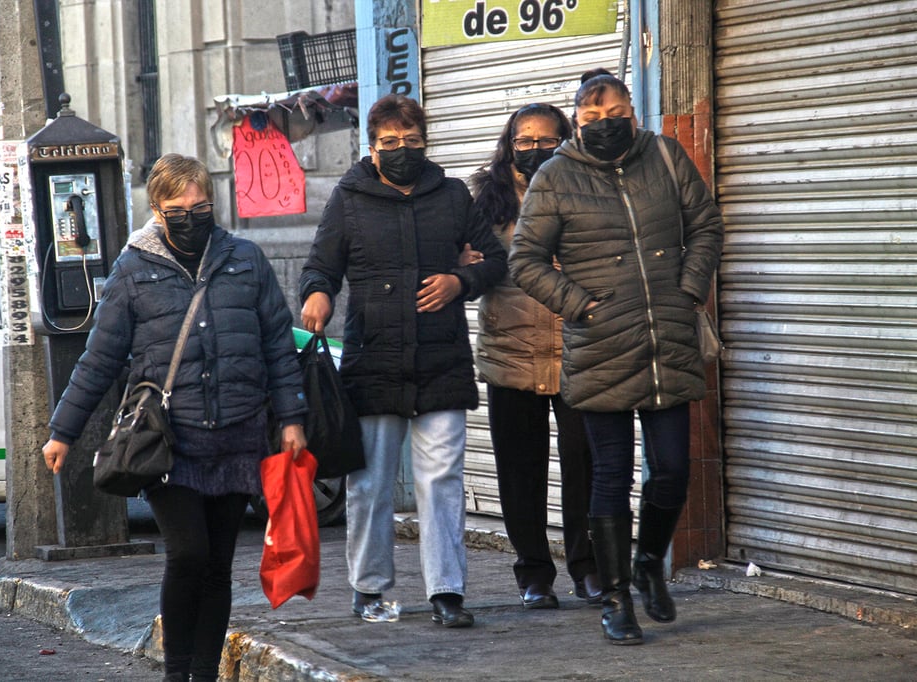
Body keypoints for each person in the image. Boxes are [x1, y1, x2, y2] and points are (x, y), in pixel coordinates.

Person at [41, 153, 308, 681]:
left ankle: (203, 673)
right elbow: (99, 358)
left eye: (200, 203)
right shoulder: (133, 271)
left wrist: (292, 417)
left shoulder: (245, 260)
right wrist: (62, 432)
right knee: (187, 554)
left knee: (217, 566)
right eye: (178, 206)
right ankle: (175, 672)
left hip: (237, 437)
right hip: (169, 442)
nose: (191, 213)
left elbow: (279, 344)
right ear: (157, 210)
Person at [509, 69, 724, 645]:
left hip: (666, 340)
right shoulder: (555, 177)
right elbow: (525, 261)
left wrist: (687, 290)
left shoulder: (666, 156)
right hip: (602, 346)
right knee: (611, 475)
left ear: (632, 109)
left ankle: (648, 563)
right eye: (592, 117)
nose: (605, 125)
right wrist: (581, 308)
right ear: (576, 122)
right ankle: (616, 598)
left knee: (674, 471)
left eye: (615, 113)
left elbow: (704, 225)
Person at [299, 94, 506, 628]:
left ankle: (447, 592)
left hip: (442, 360)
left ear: (425, 143)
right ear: (372, 146)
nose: (402, 151)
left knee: (441, 480)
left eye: (412, 142)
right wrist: (318, 294)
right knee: (368, 483)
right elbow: (320, 266)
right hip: (373, 361)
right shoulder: (348, 197)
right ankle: (369, 588)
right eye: (390, 143)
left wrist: (461, 280)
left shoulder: (453, 195)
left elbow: (497, 260)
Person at [468, 103, 601, 610]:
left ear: (567, 141)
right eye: (524, 141)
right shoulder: (487, 200)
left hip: (580, 352)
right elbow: (466, 264)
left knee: (583, 467)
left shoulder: (591, 188)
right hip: (512, 353)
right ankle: (534, 575)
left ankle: (587, 568)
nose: (535, 149)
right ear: (509, 146)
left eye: (547, 140)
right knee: (519, 473)